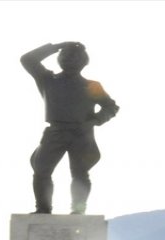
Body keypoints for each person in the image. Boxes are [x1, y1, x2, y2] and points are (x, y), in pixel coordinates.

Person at [21, 41, 120, 214]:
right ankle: (43, 209)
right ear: (60, 59)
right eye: (66, 56)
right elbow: (27, 59)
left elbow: (111, 107)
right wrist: (55, 46)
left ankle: (78, 210)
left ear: (84, 62)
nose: (70, 60)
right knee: (41, 170)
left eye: (75, 58)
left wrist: (96, 120)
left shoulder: (92, 85)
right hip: (55, 132)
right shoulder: (48, 80)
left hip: (82, 134)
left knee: (80, 173)